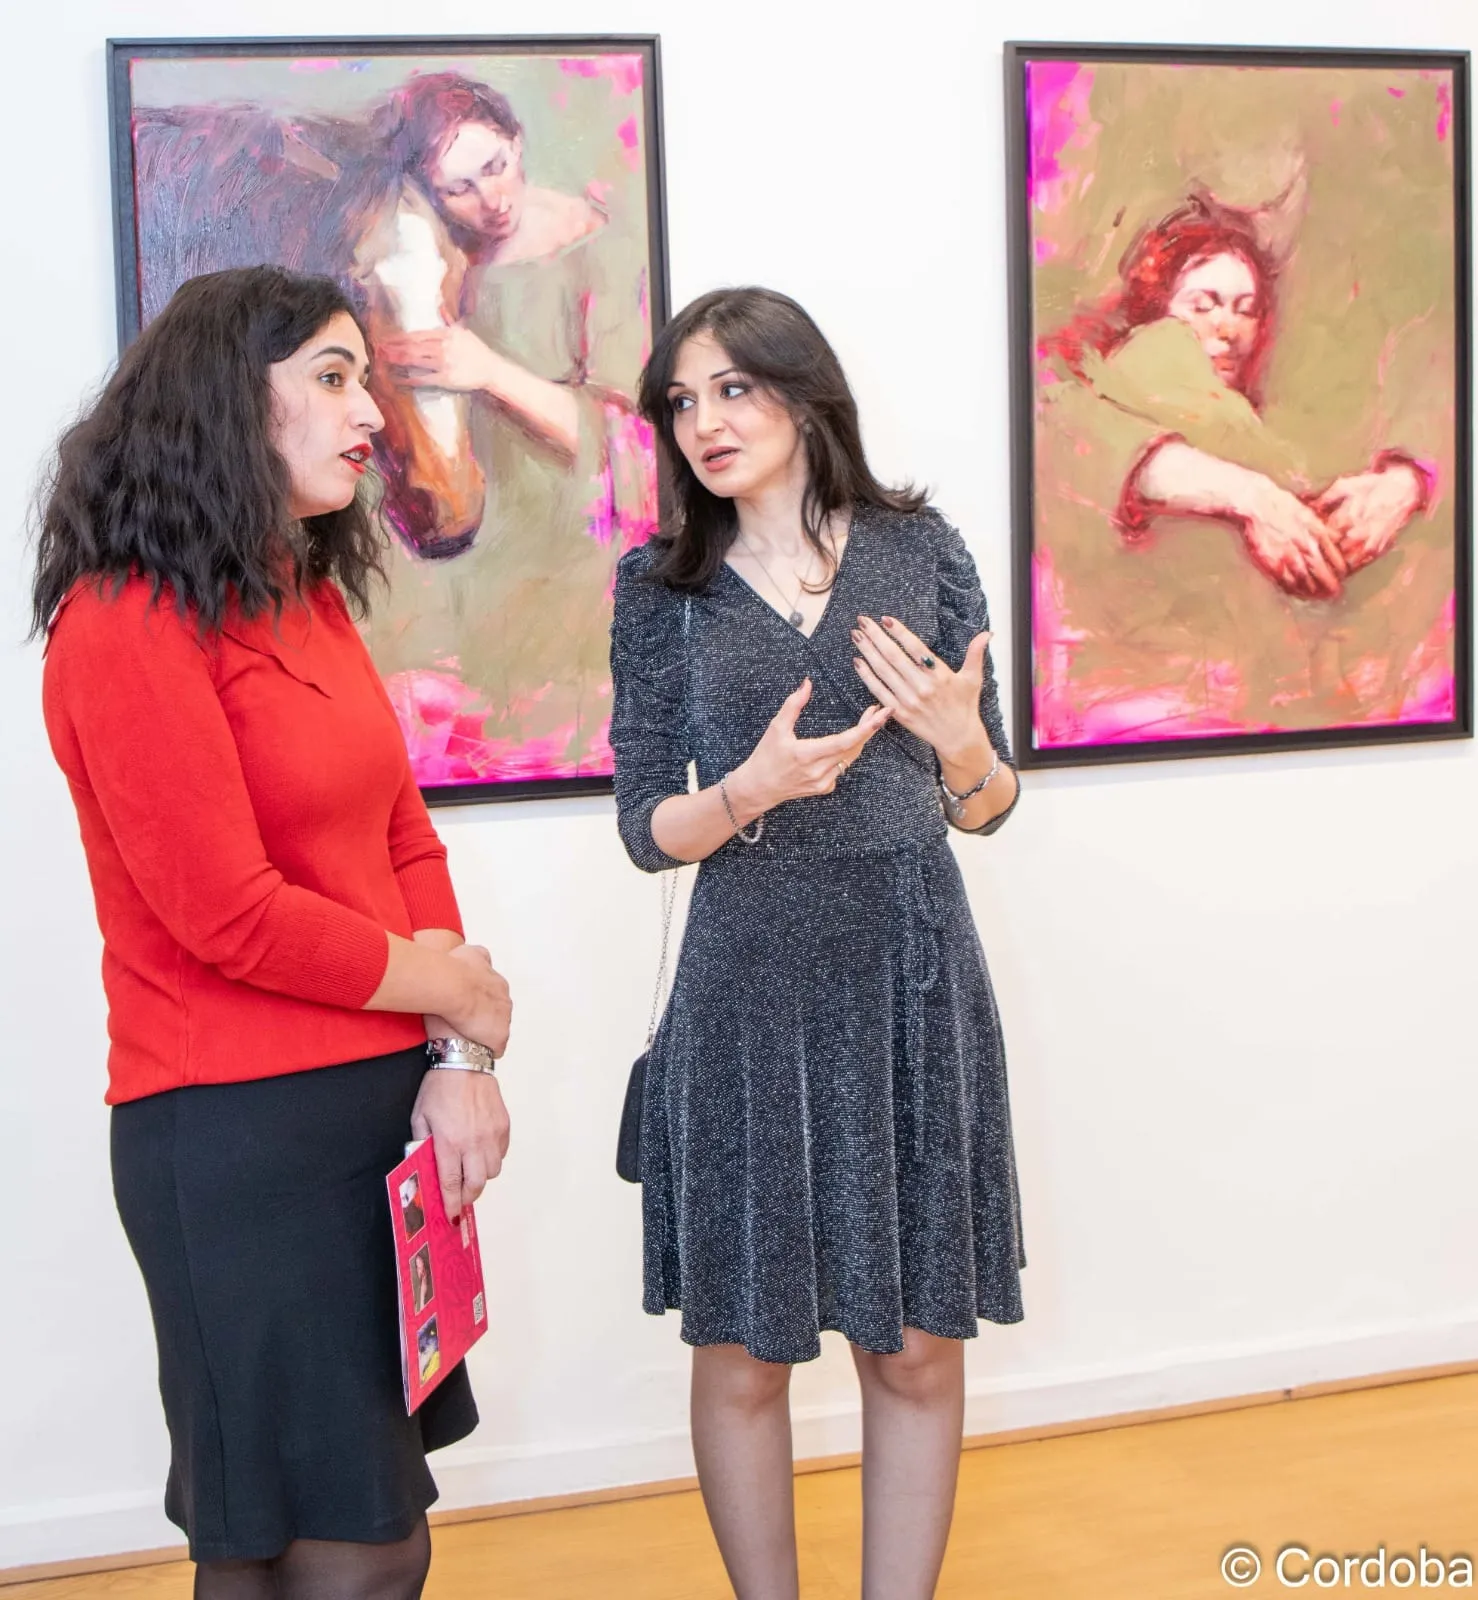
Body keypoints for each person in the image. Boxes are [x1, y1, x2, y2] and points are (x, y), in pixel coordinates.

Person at [33, 265, 513, 1600]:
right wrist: (455, 992)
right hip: (233, 1139)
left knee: (295, 1544)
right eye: (333, 376)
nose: (371, 412)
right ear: (223, 401)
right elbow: (225, 913)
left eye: (367, 377)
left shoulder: (307, 598)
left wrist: (455, 1056)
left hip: (369, 1116)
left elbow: (404, 838)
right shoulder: (121, 623)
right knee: (344, 1546)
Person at [609, 286, 1024, 1599]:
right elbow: (644, 826)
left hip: (908, 970)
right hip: (743, 983)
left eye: (732, 388)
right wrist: (747, 792)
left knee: (913, 1342)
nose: (704, 422)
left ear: (800, 392)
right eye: (682, 402)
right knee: (742, 1349)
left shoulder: (920, 549)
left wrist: (960, 747)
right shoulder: (659, 589)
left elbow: (989, 803)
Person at [1036, 196, 1444, 739]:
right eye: (1203, 305)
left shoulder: (1245, 422)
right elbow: (1073, 435)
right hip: (1148, 702)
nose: (1228, 327)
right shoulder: (1133, 376)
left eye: (1245, 309)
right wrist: (1251, 496)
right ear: (1158, 307)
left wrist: (1403, 483)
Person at [365, 72, 659, 781]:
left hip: (566, 565)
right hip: (464, 564)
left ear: (518, 143)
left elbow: (635, 446)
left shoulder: (599, 249)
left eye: (497, 166)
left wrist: (487, 371)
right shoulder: (432, 259)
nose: (491, 199)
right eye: (459, 188)